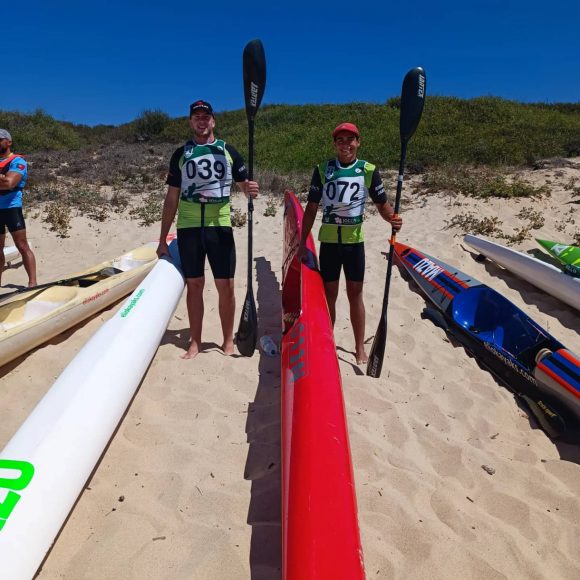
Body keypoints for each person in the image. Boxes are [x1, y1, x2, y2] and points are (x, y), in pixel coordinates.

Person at [157, 100, 259, 359]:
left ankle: (227, 341)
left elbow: (243, 185)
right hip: (189, 228)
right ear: (191, 122)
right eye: (196, 117)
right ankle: (195, 341)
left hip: (219, 227)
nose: (201, 121)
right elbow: (171, 198)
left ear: (213, 121)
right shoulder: (181, 154)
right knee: (195, 285)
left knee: (225, 286)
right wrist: (162, 239)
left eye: (206, 117)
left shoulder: (228, 151)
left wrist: (250, 190)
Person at [298, 122, 402, 364]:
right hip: (330, 243)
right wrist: (302, 241)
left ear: (358, 142)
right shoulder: (323, 170)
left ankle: (359, 348)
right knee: (329, 295)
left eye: (350, 140)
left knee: (355, 294)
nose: (345, 144)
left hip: (355, 243)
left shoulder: (368, 170)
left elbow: (381, 204)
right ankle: (327, 341)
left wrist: (392, 219)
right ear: (335, 144)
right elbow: (312, 208)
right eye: (340, 140)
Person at [0, 129, 37, 287]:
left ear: (9, 142)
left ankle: (33, 283)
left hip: (11, 208)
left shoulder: (18, 161)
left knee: (22, 246)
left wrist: (4, 180)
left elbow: (9, 183)